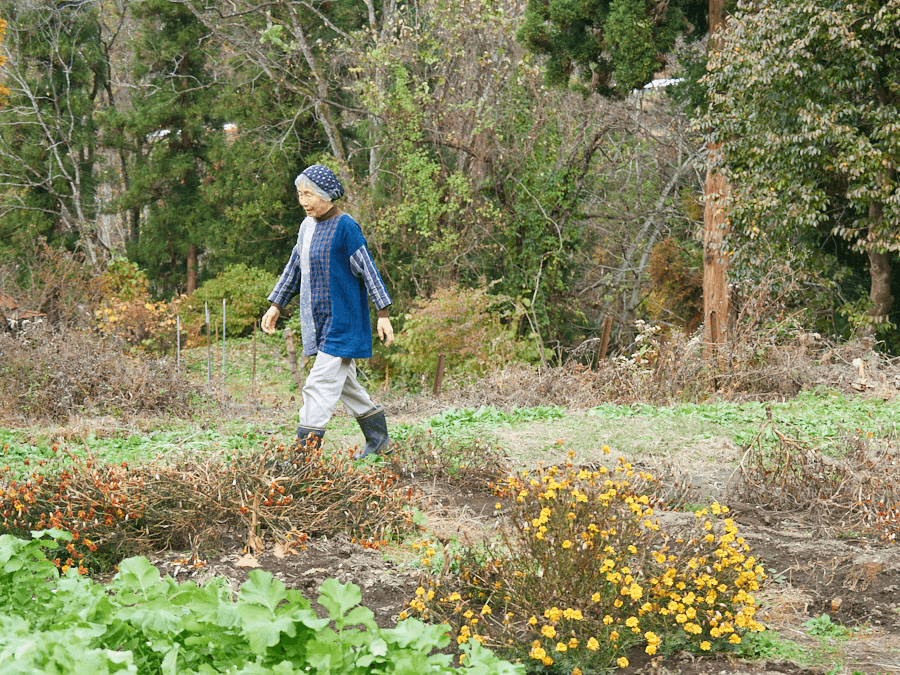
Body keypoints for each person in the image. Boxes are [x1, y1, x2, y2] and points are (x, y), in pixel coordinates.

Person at [261, 164, 395, 458]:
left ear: (326, 195)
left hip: (343, 323)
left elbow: (368, 270)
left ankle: (304, 457)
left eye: (308, 194)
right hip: (319, 322)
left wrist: (383, 313)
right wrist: (275, 305)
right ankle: (380, 441)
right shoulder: (306, 228)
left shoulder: (346, 227)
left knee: (318, 385)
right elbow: (294, 269)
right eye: (300, 194)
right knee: (347, 386)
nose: (303, 201)